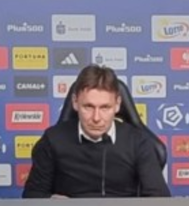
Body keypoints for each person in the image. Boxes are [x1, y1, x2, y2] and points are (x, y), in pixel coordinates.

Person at [22, 65, 171, 198]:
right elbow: (32, 196)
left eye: (105, 107)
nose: (96, 118)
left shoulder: (138, 141)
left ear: (117, 105)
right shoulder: (52, 140)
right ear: (75, 102)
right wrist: (50, 200)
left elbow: (159, 199)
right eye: (88, 107)